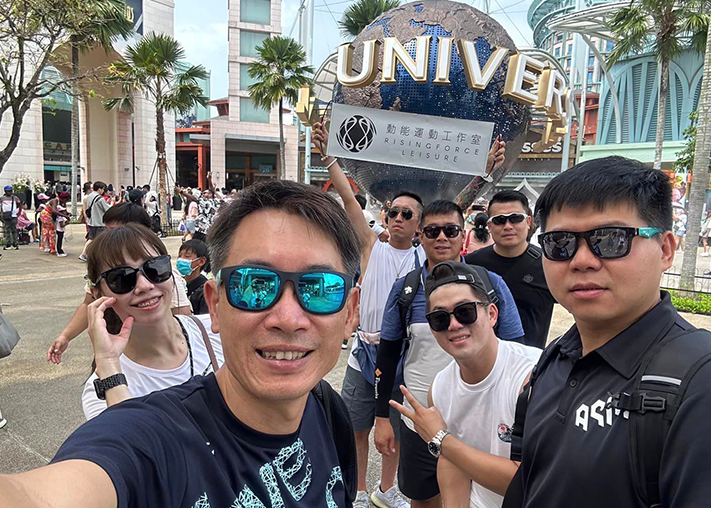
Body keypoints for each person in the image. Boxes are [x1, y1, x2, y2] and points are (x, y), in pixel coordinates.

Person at [1, 180, 361, 508]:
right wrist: (107, 366)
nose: (288, 317)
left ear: (350, 313)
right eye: (254, 285)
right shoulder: (150, 435)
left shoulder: (328, 411)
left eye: (320, 288)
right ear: (215, 305)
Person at [504, 156, 711, 507]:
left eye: (612, 239)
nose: (582, 260)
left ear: (665, 250)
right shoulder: (555, 357)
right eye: (560, 243)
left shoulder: (699, 383)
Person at [373, 200, 524, 508]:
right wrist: (381, 418)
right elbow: (387, 355)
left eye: (451, 230)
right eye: (432, 231)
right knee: (423, 498)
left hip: (482, 423)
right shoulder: (406, 289)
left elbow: (515, 348)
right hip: (420, 421)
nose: (441, 237)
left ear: (462, 233)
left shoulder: (490, 284)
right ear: (420, 234)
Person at [313, 121, 425, 508]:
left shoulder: (425, 258)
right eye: (393, 211)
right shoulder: (371, 247)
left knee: (397, 427)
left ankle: (386, 489)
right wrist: (329, 158)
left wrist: (487, 172)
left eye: (407, 214)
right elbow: (348, 201)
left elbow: (455, 210)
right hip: (364, 353)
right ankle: (360, 490)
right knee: (357, 426)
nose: (398, 217)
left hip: (404, 356)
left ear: (419, 224)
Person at [388, 261, 540, 508]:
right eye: (439, 318)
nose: (454, 325)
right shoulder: (439, 389)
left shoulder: (533, 375)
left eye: (465, 311)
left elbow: (537, 482)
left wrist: (441, 440)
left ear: (492, 314)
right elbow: (452, 462)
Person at [81, 224, 224, 420]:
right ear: (98, 294)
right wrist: (108, 365)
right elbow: (126, 438)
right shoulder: (102, 389)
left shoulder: (217, 332)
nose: (144, 285)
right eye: (122, 278)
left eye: (155, 268)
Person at [47, 203, 192, 364]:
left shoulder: (165, 275)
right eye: (107, 231)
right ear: (99, 290)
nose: (144, 285)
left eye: (117, 231)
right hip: (115, 349)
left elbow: (182, 316)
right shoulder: (104, 275)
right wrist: (65, 336)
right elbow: (88, 304)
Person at [465, 191, 556, 349]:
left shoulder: (549, 264)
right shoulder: (471, 264)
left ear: (528, 222)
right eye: (499, 220)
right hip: (480, 357)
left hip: (529, 359)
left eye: (515, 218)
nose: (508, 226)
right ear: (489, 226)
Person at [176, 173, 220, 242]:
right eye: (203, 193)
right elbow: (193, 197)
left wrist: (209, 180)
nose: (203, 194)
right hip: (201, 229)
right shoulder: (203, 200)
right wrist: (182, 192)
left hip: (206, 230)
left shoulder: (215, 201)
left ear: (210, 194)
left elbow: (212, 191)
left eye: (205, 193)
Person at [80, 181, 113, 262]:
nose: (103, 191)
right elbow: (108, 209)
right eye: (103, 189)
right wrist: (111, 203)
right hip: (99, 222)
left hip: (91, 222)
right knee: (100, 240)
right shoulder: (100, 199)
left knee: (91, 239)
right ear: (99, 189)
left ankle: (84, 254)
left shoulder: (89, 196)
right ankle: (99, 256)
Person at [177, 239, 210, 315]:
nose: (180, 259)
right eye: (179, 256)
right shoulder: (178, 283)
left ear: (201, 261)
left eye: (187, 256)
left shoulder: (204, 291)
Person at [1, 185, 22, 250]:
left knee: (14, 230)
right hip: (5, 216)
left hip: (13, 216)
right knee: (7, 230)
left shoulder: (15, 198)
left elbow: (20, 205)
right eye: (8, 191)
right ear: (5, 191)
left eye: (10, 191)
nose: (9, 192)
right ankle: (8, 244)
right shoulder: (2, 198)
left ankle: (15, 243)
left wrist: (19, 213)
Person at [54, 192, 71, 257]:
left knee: (60, 240)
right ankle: (59, 251)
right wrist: (67, 223)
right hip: (60, 230)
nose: (65, 212)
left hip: (60, 230)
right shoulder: (60, 218)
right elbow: (61, 225)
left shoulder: (60, 217)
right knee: (59, 241)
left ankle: (60, 250)